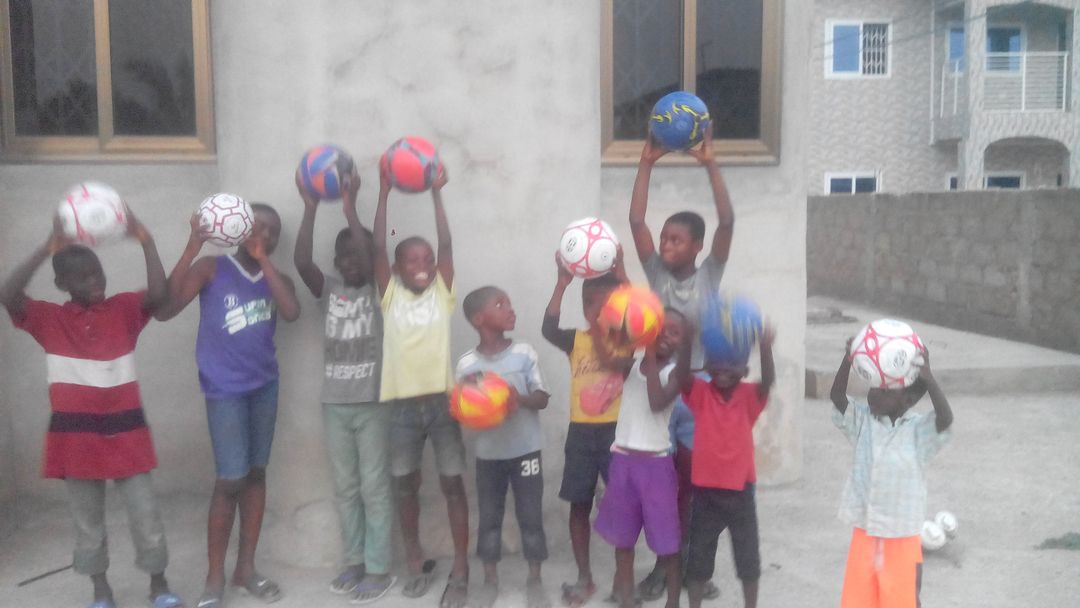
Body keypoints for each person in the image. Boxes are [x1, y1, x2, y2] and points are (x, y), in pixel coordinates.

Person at [0, 212, 183, 608]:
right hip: (75, 439)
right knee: (88, 523)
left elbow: (159, 295)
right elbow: (8, 294)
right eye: (82, 278)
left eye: (98, 273)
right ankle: (101, 591)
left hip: (128, 434)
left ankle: (159, 585)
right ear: (62, 284)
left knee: (146, 515)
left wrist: (147, 240)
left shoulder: (124, 309)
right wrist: (46, 248)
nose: (95, 282)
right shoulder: (49, 319)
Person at [157, 202, 300, 608]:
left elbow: (291, 312)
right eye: (258, 227)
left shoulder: (278, 278)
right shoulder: (211, 268)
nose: (265, 236)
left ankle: (246, 569)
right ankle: (215, 575)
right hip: (225, 390)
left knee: (256, 474)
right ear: (238, 227)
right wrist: (192, 246)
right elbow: (165, 309)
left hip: (264, 386)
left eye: (272, 232)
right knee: (229, 480)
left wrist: (264, 262)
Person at [630, 125, 733, 601]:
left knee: (694, 486)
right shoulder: (654, 273)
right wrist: (646, 163)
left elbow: (727, 222)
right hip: (658, 390)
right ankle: (662, 565)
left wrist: (711, 164)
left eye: (677, 240)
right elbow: (636, 221)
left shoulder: (710, 274)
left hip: (699, 392)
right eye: (664, 239)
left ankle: (695, 568)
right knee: (663, 487)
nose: (666, 245)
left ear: (696, 247)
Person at [293, 170, 396, 604]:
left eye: (359, 255)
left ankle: (378, 567)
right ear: (336, 263)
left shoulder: (381, 291)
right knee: (347, 488)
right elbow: (302, 263)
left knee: (374, 486)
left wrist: (351, 208)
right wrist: (311, 207)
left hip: (373, 402)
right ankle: (354, 561)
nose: (351, 262)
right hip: (334, 403)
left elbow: (374, 257)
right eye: (344, 257)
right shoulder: (330, 290)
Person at [372, 167, 469, 608]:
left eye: (427, 260)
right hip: (401, 410)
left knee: (452, 483)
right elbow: (378, 246)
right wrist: (383, 193)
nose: (424, 266)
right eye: (412, 260)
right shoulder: (389, 295)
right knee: (405, 485)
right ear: (396, 269)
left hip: (443, 405)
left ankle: (461, 566)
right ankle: (415, 560)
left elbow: (447, 245)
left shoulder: (441, 294)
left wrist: (436, 194)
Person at [829, 341, 953, 608]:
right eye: (873, 387)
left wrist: (929, 379)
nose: (873, 395)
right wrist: (847, 360)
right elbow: (838, 398)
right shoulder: (863, 422)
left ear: (908, 400)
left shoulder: (918, 431)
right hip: (866, 528)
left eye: (884, 392)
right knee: (860, 600)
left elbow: (945, 420)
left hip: (902, 534)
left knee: (902, 599)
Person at [541, 253, 633, 608]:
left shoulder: (626, 339)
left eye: (608, 304)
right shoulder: (575, 340)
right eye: (591, 304)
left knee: (622, 506)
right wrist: (561, 284)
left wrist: (622, 275)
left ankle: (623, 580)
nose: (598, 310)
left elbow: (620, 361)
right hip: (581, 433)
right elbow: (549, 329)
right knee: (578, 504)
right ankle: (585, 577)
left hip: (616, 434)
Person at [456, 286, 551, 608]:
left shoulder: (524, 353)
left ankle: (535, 579)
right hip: (489, 456)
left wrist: (517, 399)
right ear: (478, 319)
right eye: (500, 304)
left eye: (509, 302)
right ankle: (490, 581)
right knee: (489, 518)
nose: (510, 308)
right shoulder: (467, 365)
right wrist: (474, 408)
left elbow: (542, 398)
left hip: (526, 451)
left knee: (530, 515)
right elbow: (463, 409)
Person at [594, 308, 692, 608]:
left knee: (668, 543)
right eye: (660, 328)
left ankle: (673, 602)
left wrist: (647, 353)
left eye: (674, 332)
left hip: (656, 467)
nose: (664, 336)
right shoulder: (631, 365)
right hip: (623, 463)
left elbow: (656, 402)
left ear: (683, 342)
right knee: (623, 541)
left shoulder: (676, 373)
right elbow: (604, 360)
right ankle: (625, 598)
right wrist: (601, 325)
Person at [681, 324, 776, 608]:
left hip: (740, 491)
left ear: (745, 370)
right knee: (698, 559)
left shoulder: (749, 396)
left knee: (748, 557)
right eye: (717, 361)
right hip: (705, 492)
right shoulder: (700, 392)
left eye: (732, 363)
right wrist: (687, 339)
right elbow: (682, 376)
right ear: (706, 365)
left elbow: (768, 381)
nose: (723, 368)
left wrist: (765, 348)